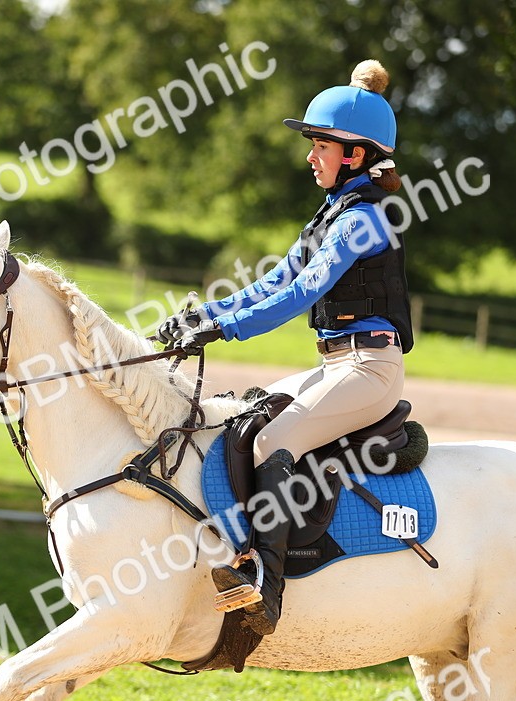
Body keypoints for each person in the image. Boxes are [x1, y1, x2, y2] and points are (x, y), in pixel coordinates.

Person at [156, 60, 413, 636]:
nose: (310, 155)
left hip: (370, 370)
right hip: (335, 364)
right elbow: (272, 282)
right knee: (247, 418)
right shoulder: (331, 216)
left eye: (320, 144)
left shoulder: (364, 220)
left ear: (354, 155)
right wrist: (204, 315)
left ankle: (264, 591)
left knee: (276, 437)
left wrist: (226, 332)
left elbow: (302, 293)